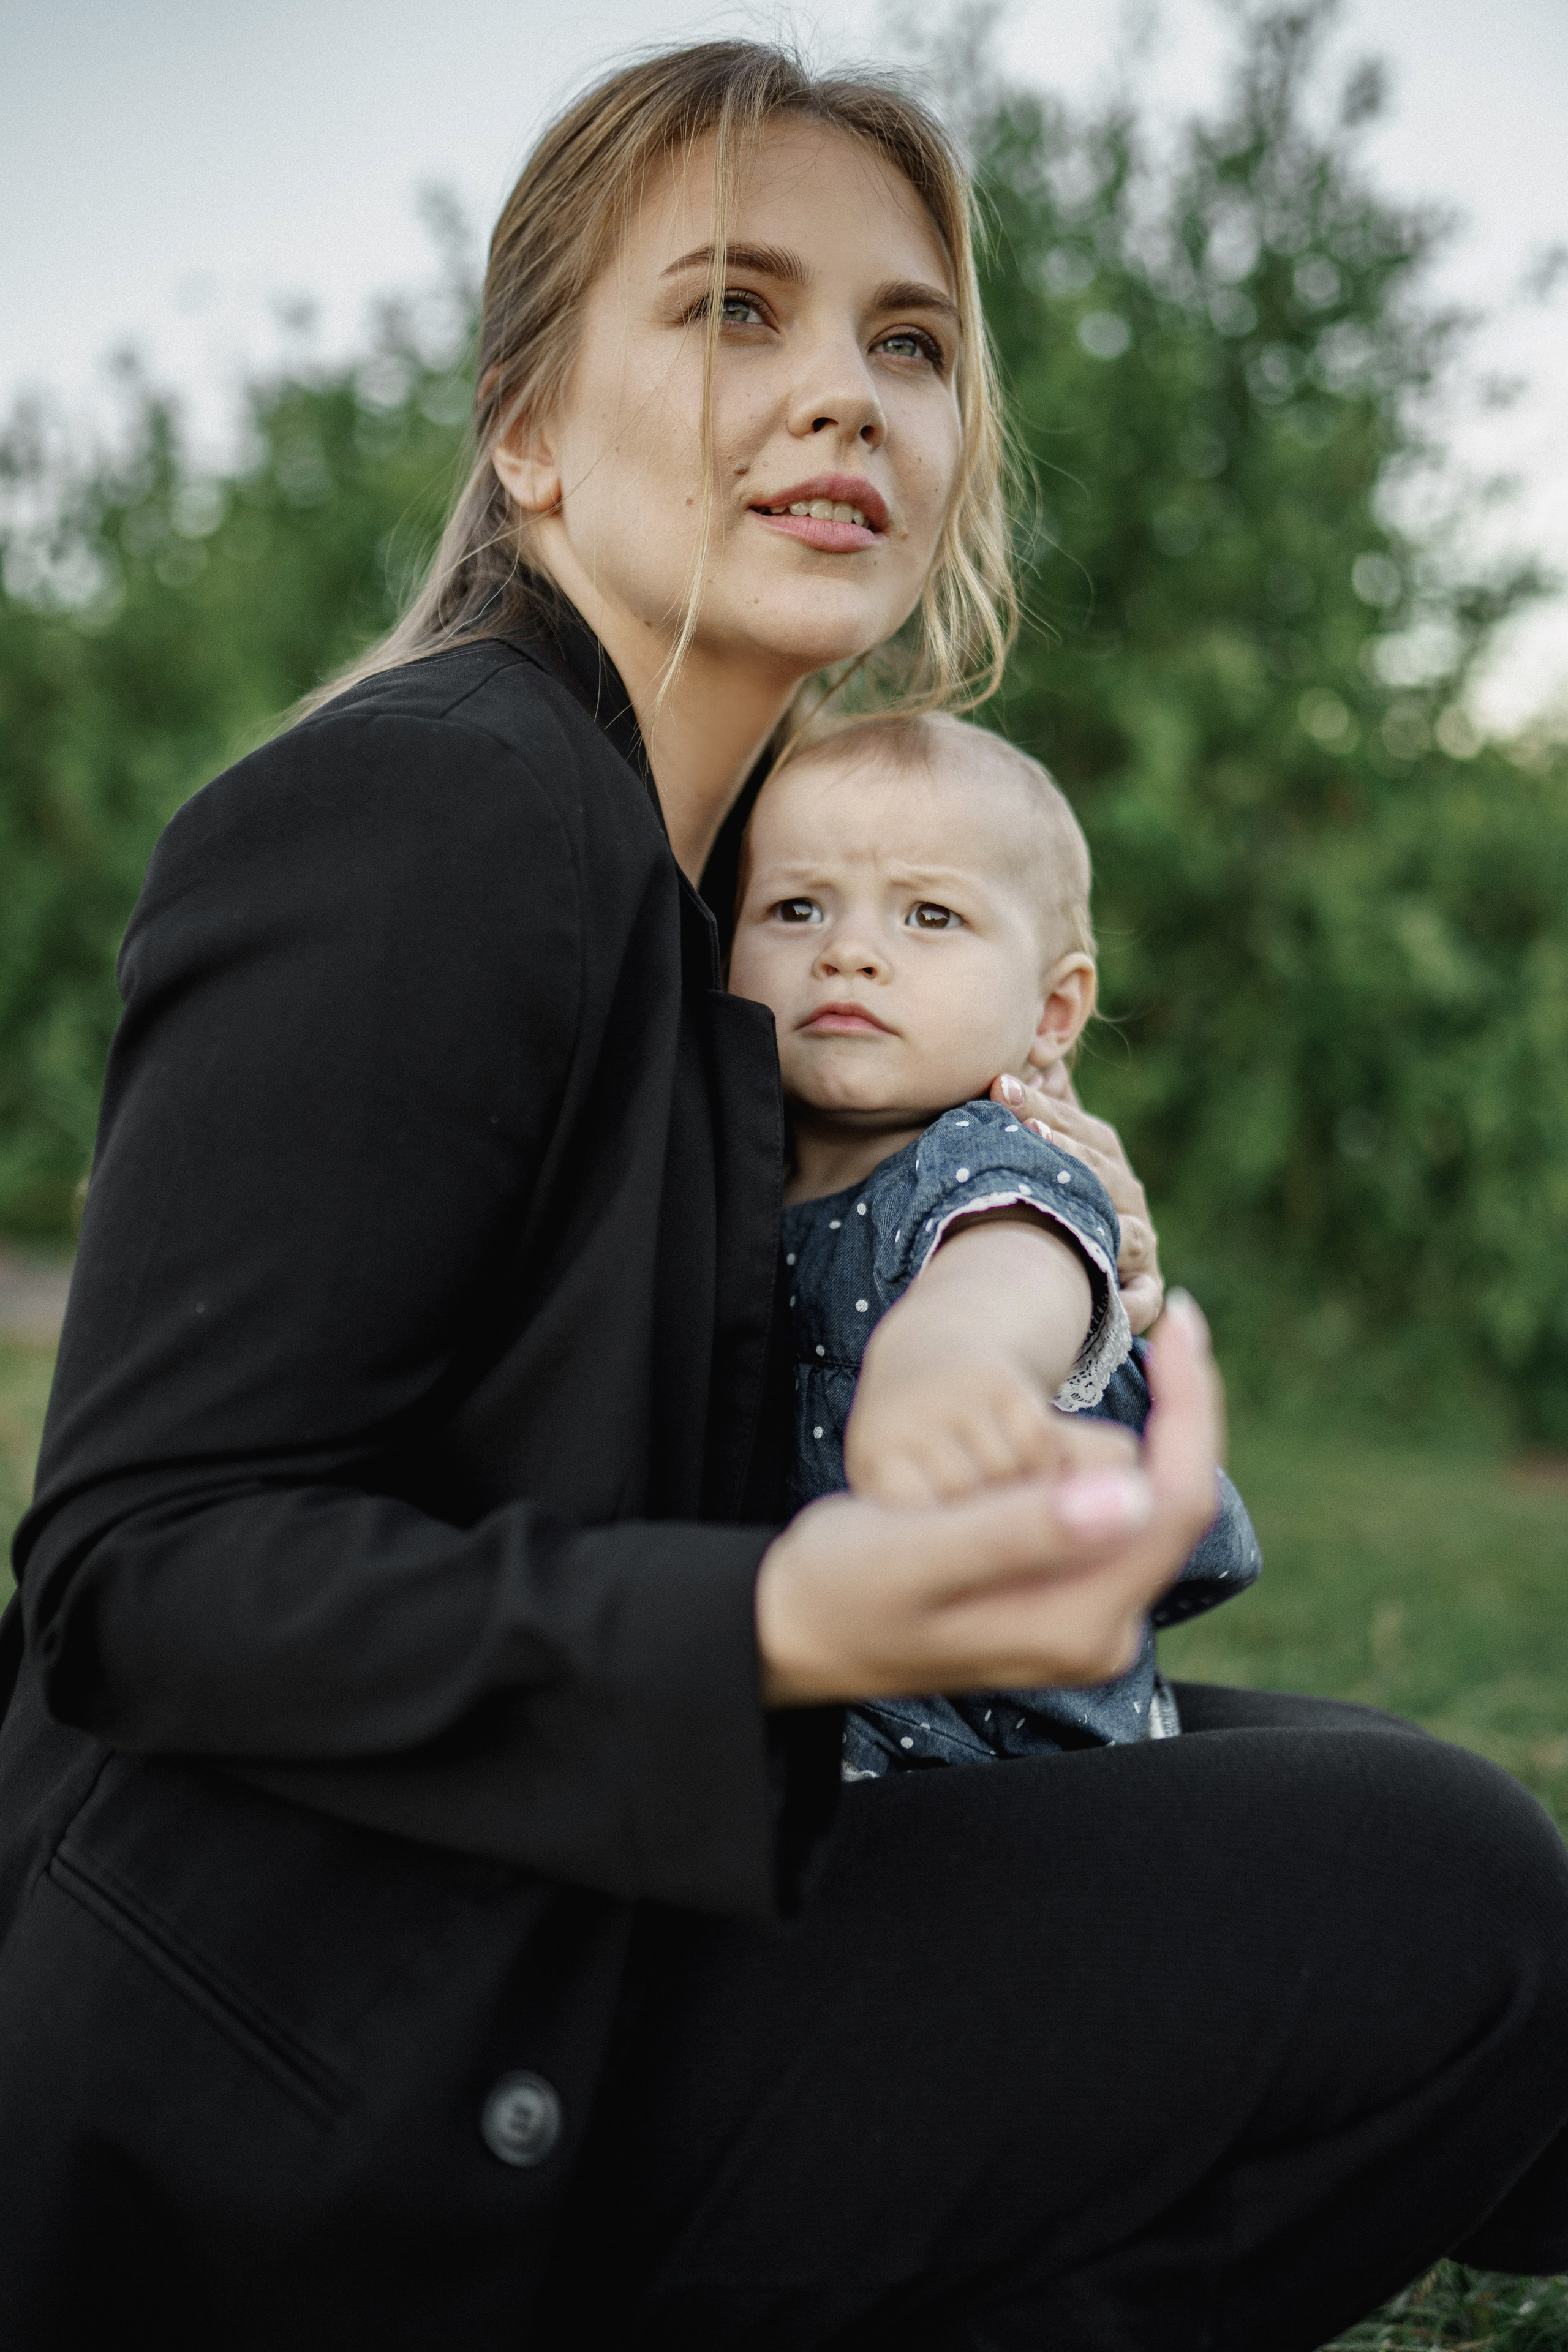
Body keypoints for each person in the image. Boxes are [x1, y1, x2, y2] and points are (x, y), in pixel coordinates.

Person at [0, 40, 1566, 2352]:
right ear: (527, 434)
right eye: (736, 308)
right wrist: (792, 1623)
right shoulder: (428, 814)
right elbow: (145, 1580)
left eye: (905, 341)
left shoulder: (724, 888)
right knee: (1443, 1894)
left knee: (1372, 1803)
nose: (841, 389)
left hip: (576, 1892)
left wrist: (1000, 1205)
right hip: (318, 2072)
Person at [727, 710, 1261, 1772]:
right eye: (796, 907)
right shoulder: (741, 1165)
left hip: (1006, 1751)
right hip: (823, 1709)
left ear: (1054, 1012)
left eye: (929, 915)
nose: (849, 953)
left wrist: (956, 1357)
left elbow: (1016, 1264)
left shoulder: (990, 1155)